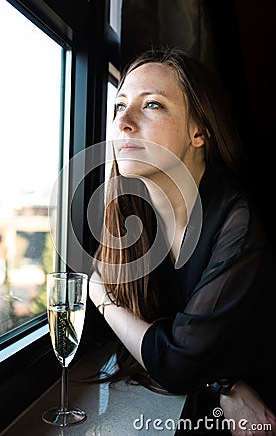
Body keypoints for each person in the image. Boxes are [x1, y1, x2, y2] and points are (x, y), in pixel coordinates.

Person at [89, 47, 276, 435]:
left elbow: (176, 363)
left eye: (152, 105)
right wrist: (221, 383)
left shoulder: (238, 222)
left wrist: (101, 298)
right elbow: (174, 340)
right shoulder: (132, 216)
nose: (123, 121)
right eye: (119, 105)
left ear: (198, 132)